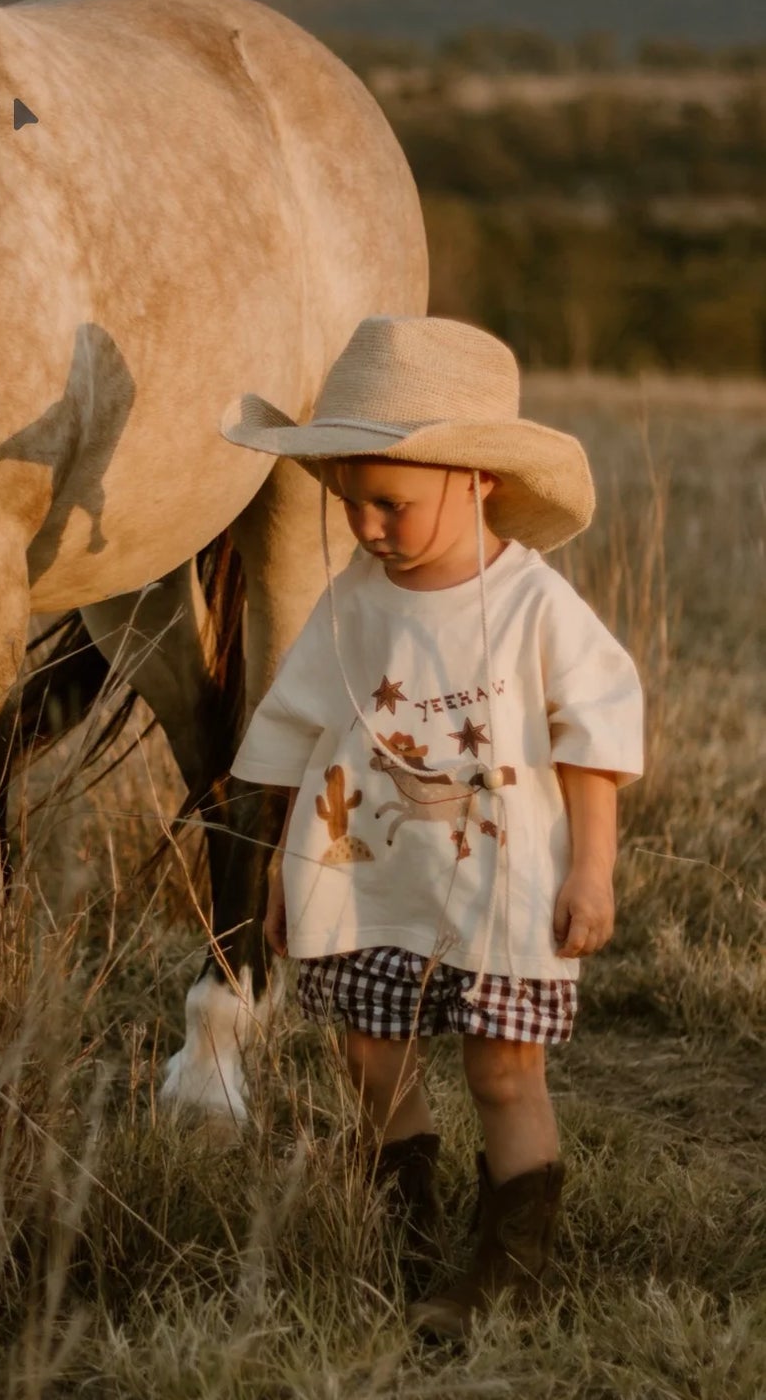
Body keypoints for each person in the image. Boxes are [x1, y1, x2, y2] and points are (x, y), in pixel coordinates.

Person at [221, 316, 643, 1338]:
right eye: (351, 503)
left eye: (390, 505)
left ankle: (505, 1269)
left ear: (476, 479)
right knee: (369, 1055)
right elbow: (288, 731)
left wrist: (591, 873)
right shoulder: (352, 603)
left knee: (501, 1068)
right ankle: (399, 1231)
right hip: (365, 873)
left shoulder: (536, 606)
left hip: (505, 885)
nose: (367, 526)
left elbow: (595, 741)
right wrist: (280, 878)